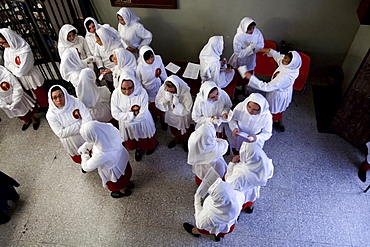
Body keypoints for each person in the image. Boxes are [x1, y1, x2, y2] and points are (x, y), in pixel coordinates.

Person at [245, 48, 302, 132]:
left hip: (277, 95)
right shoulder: (290, 66)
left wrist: (251, 78)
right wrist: (270, 51)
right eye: (285, 57)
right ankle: (280, 123)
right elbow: (279, 57)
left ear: (291, 64)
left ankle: (267, 127)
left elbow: (266, 87)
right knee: (279, 109)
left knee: (271, 111)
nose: (283, 60)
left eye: (286, 60)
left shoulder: (284, 77)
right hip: (282, 91)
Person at [78, 121, 134, 198]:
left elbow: (86, 167)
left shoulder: (101, 154)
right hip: (122, 161)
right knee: (126, 176)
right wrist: (87, 145)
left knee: (118, 184)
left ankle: (123, 192)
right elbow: (98, 138)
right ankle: (129, 184)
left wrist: (84, 154)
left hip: (114, 172)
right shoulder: (109, 128)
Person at [110, 74, 158, 162]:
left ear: (134, 85)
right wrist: (132, 115)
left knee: (146, 138)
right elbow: (115, 114)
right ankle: (138, 149)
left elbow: (143, 114)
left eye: (130, 88)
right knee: (133, 140)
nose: (127, 92)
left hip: (142, 122)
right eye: (123, 88)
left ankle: (151, 146)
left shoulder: (141, 92)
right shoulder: (116, 94)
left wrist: (126, 118)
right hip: (127, 125)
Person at [0, 28, 48, 109]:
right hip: (21, 79)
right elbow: (7, 65)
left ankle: (47, 108)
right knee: (31, 96)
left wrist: (13, 68)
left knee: (41, 94)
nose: (1, 45)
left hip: (32, 77)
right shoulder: (7, 50)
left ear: (9, 39)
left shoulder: (25, 51)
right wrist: (16, 69)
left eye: (2, 42)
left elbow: (22, 72)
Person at [183, 178, 244, 242]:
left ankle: (195, 232)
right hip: (229, 226)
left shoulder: (210, 216)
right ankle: (217, 236)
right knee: (221, 232)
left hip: (212, 226)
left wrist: (197, 200)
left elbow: (199, 224)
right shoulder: (240, 196)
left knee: (202, 230)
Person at [46, 85, 92, 164]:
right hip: (72, 141)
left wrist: (68, 129)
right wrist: (80, 124)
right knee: (80, 157)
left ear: (64, 94)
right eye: (55, 98)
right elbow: (61, 133)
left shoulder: (75, 102)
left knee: (93, 151)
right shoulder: (51, 115)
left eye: (60, 96)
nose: (58, 100)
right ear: (51, 100)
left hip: (85, 134)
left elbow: (87, 118)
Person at [225, 142, 274, 213]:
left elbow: (229, 182)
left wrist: (232, 164)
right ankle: (250, 208)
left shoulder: (240, 173)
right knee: (251, 199)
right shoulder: (266, 163)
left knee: (242, 202)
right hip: (253, 189)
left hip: (241, 191)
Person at [192, 81, 232, 154]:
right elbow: (195, 117)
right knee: (207, 141)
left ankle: (224, 148)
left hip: (219, 124)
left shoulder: (222, 93)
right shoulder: (200, 101)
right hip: (206, 125)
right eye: (213, 97)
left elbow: (228, 105)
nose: (217, 98)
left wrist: (224, 112)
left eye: (217, 94)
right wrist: (210, 120)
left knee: (221, 137)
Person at [155, 75, 193, 152]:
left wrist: (178, 105)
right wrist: (165, 99)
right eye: (168, 90)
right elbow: (158, 102)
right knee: (174, 129)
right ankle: (177, 138)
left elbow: (187, 110)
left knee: (186, 131)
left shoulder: (185, 92)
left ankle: (185, 141)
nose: (169, 92)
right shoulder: (164, 88)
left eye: (172, 91)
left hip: (182, 117)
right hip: (171, 115)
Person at [229, 17, 264, 95]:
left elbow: (261, 44)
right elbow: (239, 54)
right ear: (244, 28)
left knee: (247, 76)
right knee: (237, 77)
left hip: (250, 59)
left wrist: (254, 48)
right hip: (240, 60)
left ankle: (245, 90)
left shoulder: (257, 32)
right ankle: (233, 94)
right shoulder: (238, 37)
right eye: (249, 29)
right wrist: (250, 48)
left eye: (253, 28)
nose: (252, 31)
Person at [136, 45, 167, 128]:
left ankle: (163, 119)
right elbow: (138, 82)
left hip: (158, 86)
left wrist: (166, 81)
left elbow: (162, 71)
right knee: (152, 106)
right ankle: (154, 116)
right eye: (148, 59)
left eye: (152, 57)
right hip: (148, 90)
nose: (151, 60)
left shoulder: (158, 59)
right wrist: (143, 94)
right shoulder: (140, 68)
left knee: (162, 103)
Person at [0, 65, 39, 130]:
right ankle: (26, 121)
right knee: (18, 112)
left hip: (17, 97)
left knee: (28, 109)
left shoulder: (7, 76)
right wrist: (3, 104)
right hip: (5, 101)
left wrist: (15, 100)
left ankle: (34, 119)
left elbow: (17, 87)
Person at [95, 26, 124, 92]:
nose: (97, 42)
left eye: (99, 40)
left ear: (104, 39)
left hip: (118, 71)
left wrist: (111, 70)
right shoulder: (98, 45)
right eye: (96, 40)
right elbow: (97, 56)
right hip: (107, 72)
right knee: (112, 88)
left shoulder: (117, 46)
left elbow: (122, 62)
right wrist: (101, 67)